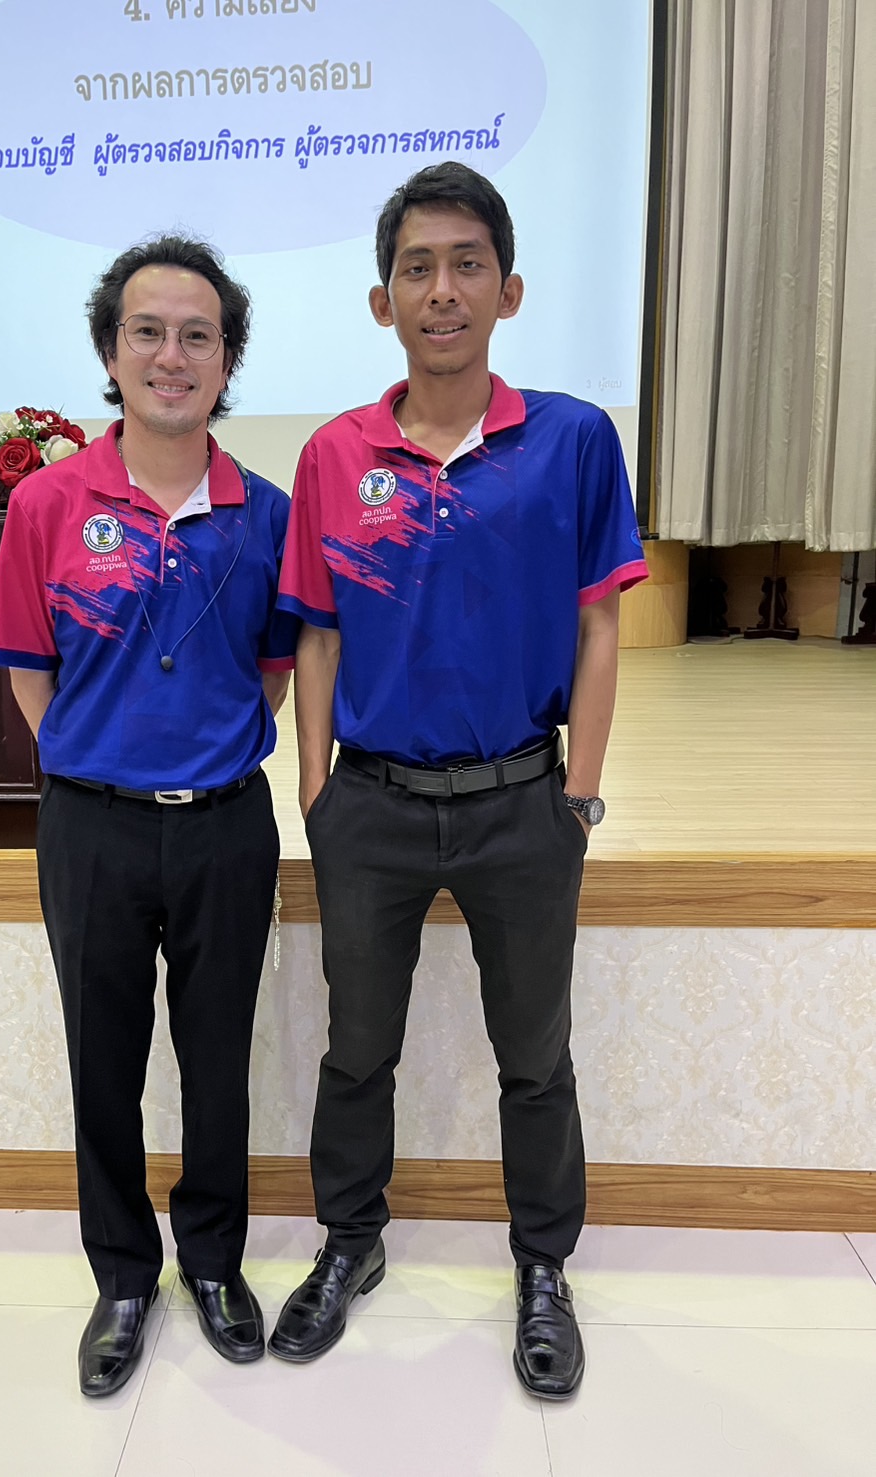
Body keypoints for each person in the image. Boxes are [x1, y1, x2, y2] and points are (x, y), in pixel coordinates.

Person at [268, 164, 648, 1398]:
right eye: (417, 267)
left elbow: (599, 623)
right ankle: (349, 1241)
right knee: (355, 1049)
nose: (443, 289)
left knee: (534, 1055)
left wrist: (579, 791)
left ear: (508, 289)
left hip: (521, 804)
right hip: (370, 807)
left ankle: (542, 1267)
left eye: (466, 263)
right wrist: (316, 789)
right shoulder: (336, 454)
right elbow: (317, 632)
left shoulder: (571, 441)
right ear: (382, 299)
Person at [0, 235, 297, 1395]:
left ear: (227, 361)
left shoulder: (265, 514)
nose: (173, 355)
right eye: (148, 332)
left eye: (197, 336)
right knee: (101, 1062)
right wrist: (98, 758)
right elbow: (29, 668)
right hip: (92, 828)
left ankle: (212, 1261)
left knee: (218, 1063)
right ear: (112, 353)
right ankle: (122, 1274)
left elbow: (272, 671)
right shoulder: (47, 503)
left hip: (224, 824)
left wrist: (194, 753)